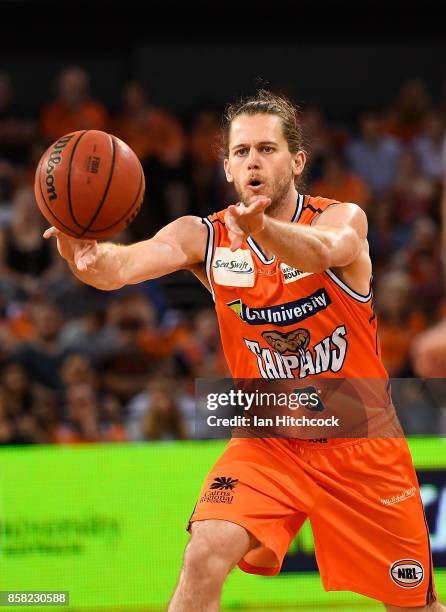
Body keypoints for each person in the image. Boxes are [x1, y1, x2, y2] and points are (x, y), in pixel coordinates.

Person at [44, 90, 443, 611]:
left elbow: (324, 252)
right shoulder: (204, 237)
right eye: (241, 152)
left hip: (360, 444)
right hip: (268, 441)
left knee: (414, 606)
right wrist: (84, 253)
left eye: (267, 149)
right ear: (227, 168)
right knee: (203, 555)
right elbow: (118, 268)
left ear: (297, 161)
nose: (253, 160)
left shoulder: (341, 218)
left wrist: (265, 230)